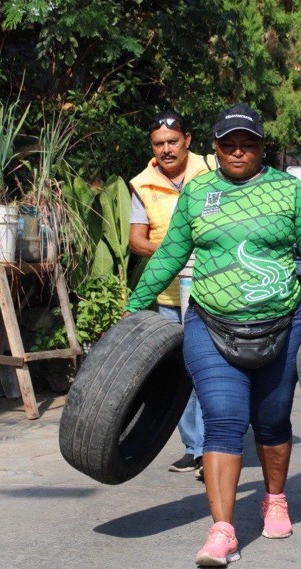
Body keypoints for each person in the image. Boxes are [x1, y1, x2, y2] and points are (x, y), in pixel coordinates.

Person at [125, 102, 301, 566]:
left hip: (282, 323)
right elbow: (170, 255)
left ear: (261, 147)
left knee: (273, 420)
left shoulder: (289, 192)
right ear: (214, 147)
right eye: (229, 143)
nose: (238, 152)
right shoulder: (198, 194)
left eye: (248, 143)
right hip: (210, 322)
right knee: (224, 420)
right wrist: (136, 307)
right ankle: (222, 530)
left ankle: (275, 498)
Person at [129, 109, 212, 475]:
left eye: (172, 142)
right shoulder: (143, 184)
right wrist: (171, 254)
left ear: (188, 140)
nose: (166, 149)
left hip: (213, 291)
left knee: (207, 368)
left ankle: (214, 449)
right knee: (179, 373)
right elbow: (136, 240)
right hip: (168, 295)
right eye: (159, 143)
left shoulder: (213, 171)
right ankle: (193, 447)